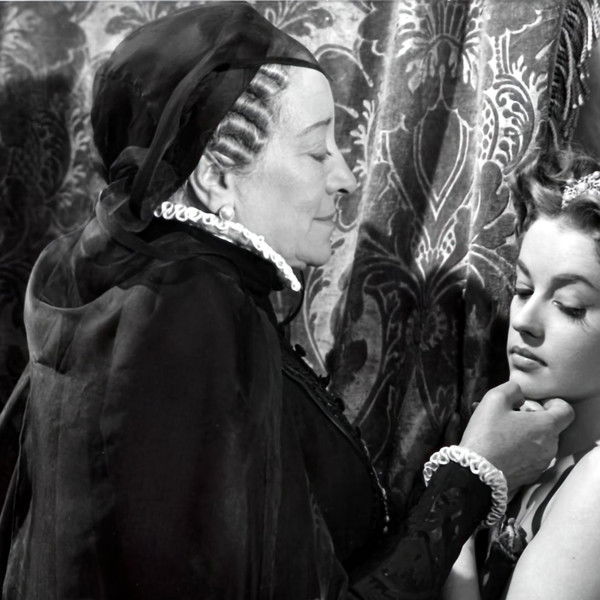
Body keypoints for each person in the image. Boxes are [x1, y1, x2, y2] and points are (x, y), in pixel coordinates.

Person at [0, 4, 573, 599]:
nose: (346, 177)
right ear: (217, 177)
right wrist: (474, 476)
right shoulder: (181, 314)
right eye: (317, 150)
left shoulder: (163, 289)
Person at [444, 148, 600, 600]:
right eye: (524, 289)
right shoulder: (530, 456)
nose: (525, 321)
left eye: (570, 307)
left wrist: (457, 499)